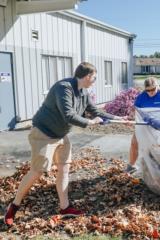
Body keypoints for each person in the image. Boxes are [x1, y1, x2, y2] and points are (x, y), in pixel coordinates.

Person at [4, 62, 126, 226]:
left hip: (61, 134)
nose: (95, 81)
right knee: (37, 172)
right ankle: (13, 206)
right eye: (94, 78)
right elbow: (68, 114)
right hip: (44, 133)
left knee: (64, 168)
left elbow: (95, 110)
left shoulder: (83, 92)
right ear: (87, 76)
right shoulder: (64, 87)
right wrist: (90, 122)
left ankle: (65, 207)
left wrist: (118, 118)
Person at [126, 77, 160, 173]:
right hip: (145, 125)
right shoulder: (142, 96)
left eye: (153, 89)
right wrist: (130, 116)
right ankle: (131, 165)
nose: (151, 92)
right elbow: (135, 109)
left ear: (157, 86)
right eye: (148, 90)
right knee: (134, 143)